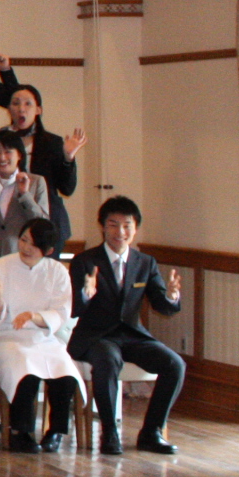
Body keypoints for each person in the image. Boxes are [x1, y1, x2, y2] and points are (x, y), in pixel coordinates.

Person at [67, 195, 184, 455]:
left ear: (135, 228)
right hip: (96, 336)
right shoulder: (85, 261)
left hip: (132, 335)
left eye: (127, 225)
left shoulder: (145, 262)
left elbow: (162, 305)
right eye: (113, 225)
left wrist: (172, 296)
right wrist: (86, 294)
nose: (120, 232)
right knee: (108, 360)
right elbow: (75, 309)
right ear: (102, 227)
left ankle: (151, 432)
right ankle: (109, 432)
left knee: (175, 364)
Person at [0, 217, 84, 451]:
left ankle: (55, 431)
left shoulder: (57, 271)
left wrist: (33, 316)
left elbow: (61, 311)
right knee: (25, 368)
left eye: (34, 245)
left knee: (65, 372)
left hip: (42, 337)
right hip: (5, 335)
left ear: (49, 250)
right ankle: (20, 432)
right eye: (24, 240)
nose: (26, 248)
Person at [4, 85, 84, 249]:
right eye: (16, 103)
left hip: (48, 220)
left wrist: (68, 157)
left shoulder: (52, 142)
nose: (21, 109)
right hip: (9, 221)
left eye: (28, 104)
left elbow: (67, 189)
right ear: (9, 109)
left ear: (38, 110)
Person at [0, 130, 51, 264]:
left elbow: (42, 225)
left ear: (19, 154)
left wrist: (25, 195)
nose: (2, 158)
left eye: (8, 152)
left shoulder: (36, 182)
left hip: (23, 258)